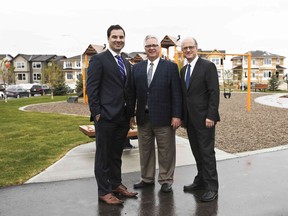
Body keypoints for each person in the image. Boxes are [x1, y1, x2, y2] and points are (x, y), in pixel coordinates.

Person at [86, 24, 137, 205]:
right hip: (106, 117)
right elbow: (91, 88)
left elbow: (128, 90)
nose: (118, 40)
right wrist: (97, 113)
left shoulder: (126, 61)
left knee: (116, 154)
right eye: (114, 37)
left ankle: (116, 184)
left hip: (122, 117)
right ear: (108, 39)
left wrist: (131, 114)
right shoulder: (99, 60)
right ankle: (104, 190)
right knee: (103, 156)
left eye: (121, 37)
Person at [130, 35, 182, 193]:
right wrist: (131, 114)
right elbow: (132, 93)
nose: (151, 48)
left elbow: (176, 94)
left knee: (166, 151)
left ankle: (166, 180)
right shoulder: (137, 68)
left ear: (159, 48)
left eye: (154, 45)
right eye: (148, 46)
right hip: (143, 117)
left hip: (164, 118)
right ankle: (147, 178)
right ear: (144, 49)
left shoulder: (170, 67)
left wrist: (177, 115)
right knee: (145, 150)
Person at [180, 37, 220, 202]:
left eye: (191, 47)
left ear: (196, 48)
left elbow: (214, 92)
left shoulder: (207, 66)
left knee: (207, 153)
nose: (188, 50)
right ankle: (201, 180)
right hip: (190, 120)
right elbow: (185, 96)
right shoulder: (183, 70)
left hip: (205, 119)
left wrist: (211, 115)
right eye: (185, 48)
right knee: (197, 152)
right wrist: (183, 117)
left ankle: (212, 186)